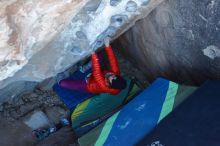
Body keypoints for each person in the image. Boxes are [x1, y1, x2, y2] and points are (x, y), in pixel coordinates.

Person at [58, 37, 127, 95]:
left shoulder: (103, 85)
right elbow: (113, 60)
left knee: (62, 83)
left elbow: (97, 72)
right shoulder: (115, 74)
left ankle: (83, 70)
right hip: (93, 76)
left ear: (110, 84)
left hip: (87, 85)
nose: (112, 76)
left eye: (112, 79)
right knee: (99, 56)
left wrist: (93, 54)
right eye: (115, 76)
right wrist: (107, 46)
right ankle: (85, 69)